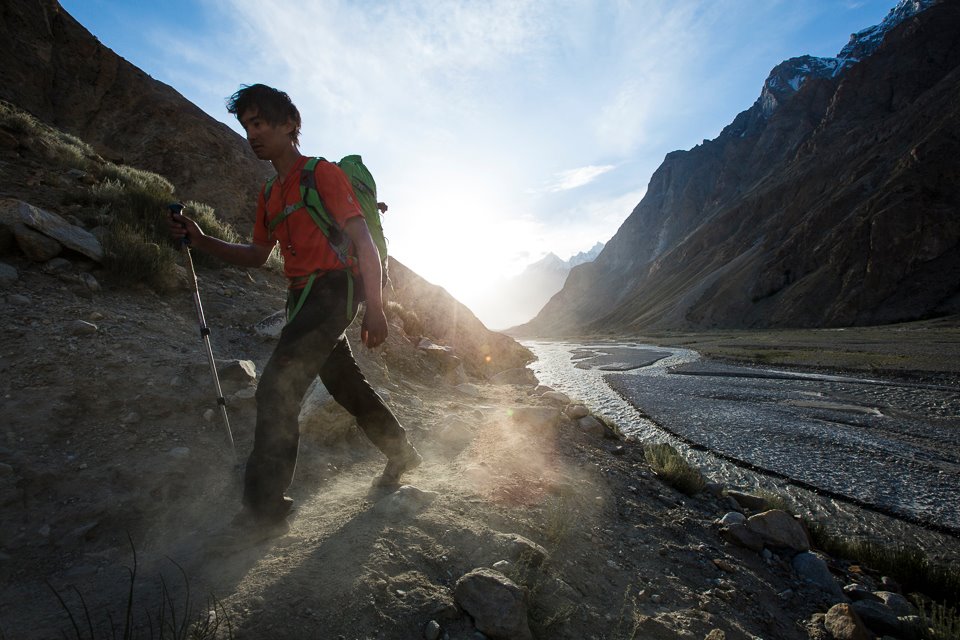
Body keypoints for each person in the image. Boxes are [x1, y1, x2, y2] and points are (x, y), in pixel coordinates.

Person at [168, 84, 421, 526]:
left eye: (260, 123)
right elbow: (256, 254)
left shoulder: (321, 174)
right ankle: (401, 452)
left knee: (276, 389)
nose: (252, 134)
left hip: (334, 291)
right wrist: (201, 239)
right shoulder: (270, 194)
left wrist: (376, 308)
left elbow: (364, 242)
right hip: (301, 298)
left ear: (290, 125)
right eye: (246, 125)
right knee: (345, 385)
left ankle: (264, 509)